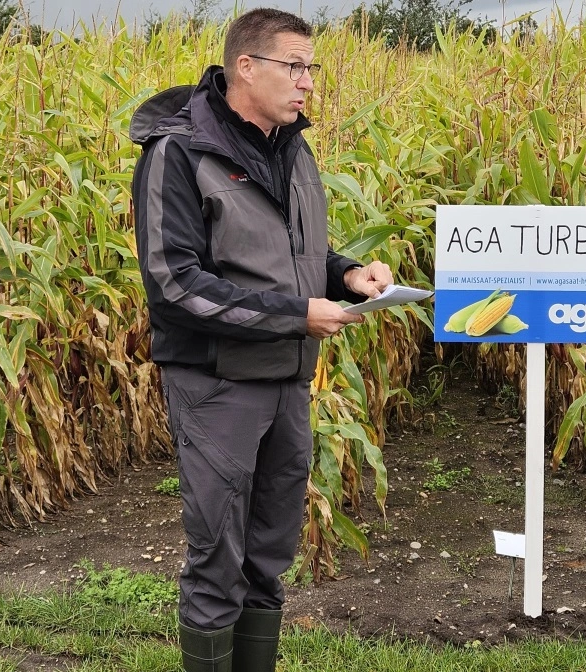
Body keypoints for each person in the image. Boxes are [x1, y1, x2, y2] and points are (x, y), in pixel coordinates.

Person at [130, 8, 393, 672]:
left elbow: (298, 250)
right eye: (295, 67)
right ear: (245, 67)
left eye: (313, 68)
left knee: (270, 554)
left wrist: (348, 274)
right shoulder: (178, 154)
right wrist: (294, 314)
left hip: (286, 380)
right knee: (218, 558)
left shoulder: (292, 149)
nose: (308, 83)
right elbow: (175, 285)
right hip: (218, 384)